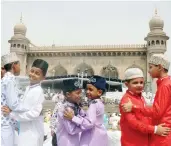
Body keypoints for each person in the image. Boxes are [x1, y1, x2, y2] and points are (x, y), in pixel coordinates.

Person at [122, 54, 171, 146]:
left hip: (163, 132)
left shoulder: (165, 85)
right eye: (135, 83)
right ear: (127, 84)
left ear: (160, 67)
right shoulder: (165, 83)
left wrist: (134, 107)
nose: (149, 71)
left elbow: (157, 112)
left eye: (151, 67)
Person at [2, 59, 49, 146]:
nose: (33, 74)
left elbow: (34, 114)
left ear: (43, 78)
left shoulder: (38, 91)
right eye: (32, 71)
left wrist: (12, 114)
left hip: (32, 133)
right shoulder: (29, 88)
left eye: (37, 73)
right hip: (24, 130)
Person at [64, 75, 108, 146]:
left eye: (90, 89)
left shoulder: (94, 104)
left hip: (92, 137)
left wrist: (73, 118)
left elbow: (89, 123)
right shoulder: (99, 102)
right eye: (87, 89)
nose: (87, 91)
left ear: (99, 92)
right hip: (99, 134)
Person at [1, 52, 29, 146]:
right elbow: (13, 104)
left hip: (7, 121)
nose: (20, 68)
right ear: (14, 65)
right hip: (6, 123)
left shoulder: (5, 79)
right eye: (19, 65)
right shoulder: (10, 80)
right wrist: (29, 107)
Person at [56, 78, 86, 146]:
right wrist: (85, 126)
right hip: (66, 142)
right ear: (68, 94)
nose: (80, 95)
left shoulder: (76, 106)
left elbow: (84, 117)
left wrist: (79, 121)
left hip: (75, 142)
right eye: (78, 93)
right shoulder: (64, 109)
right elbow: (71, 130)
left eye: (81, 92)